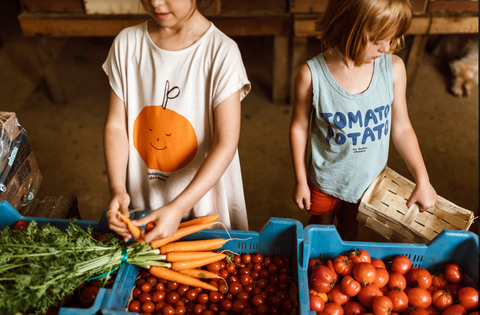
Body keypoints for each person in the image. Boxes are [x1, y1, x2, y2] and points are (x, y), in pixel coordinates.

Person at [102, 0, 251, 243]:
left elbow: (226, 143)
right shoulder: (126, 44)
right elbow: (116, 126)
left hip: (203, 202)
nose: (156, 2)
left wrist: (180, 206)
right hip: (145, 196)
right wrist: (117, 189)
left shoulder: (222, 52)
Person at [289, 0, 437, 241]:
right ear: (344, 27)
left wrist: (423, 179)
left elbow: (401, 128)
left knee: (350, 227)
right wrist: (300, 180)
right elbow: (299, 127)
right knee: (319, 227)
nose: (386, 48)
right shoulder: (311, 75)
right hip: (325, 180)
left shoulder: (394, 68)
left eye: (391, 39)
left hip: (369, 184)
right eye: (376, 40)